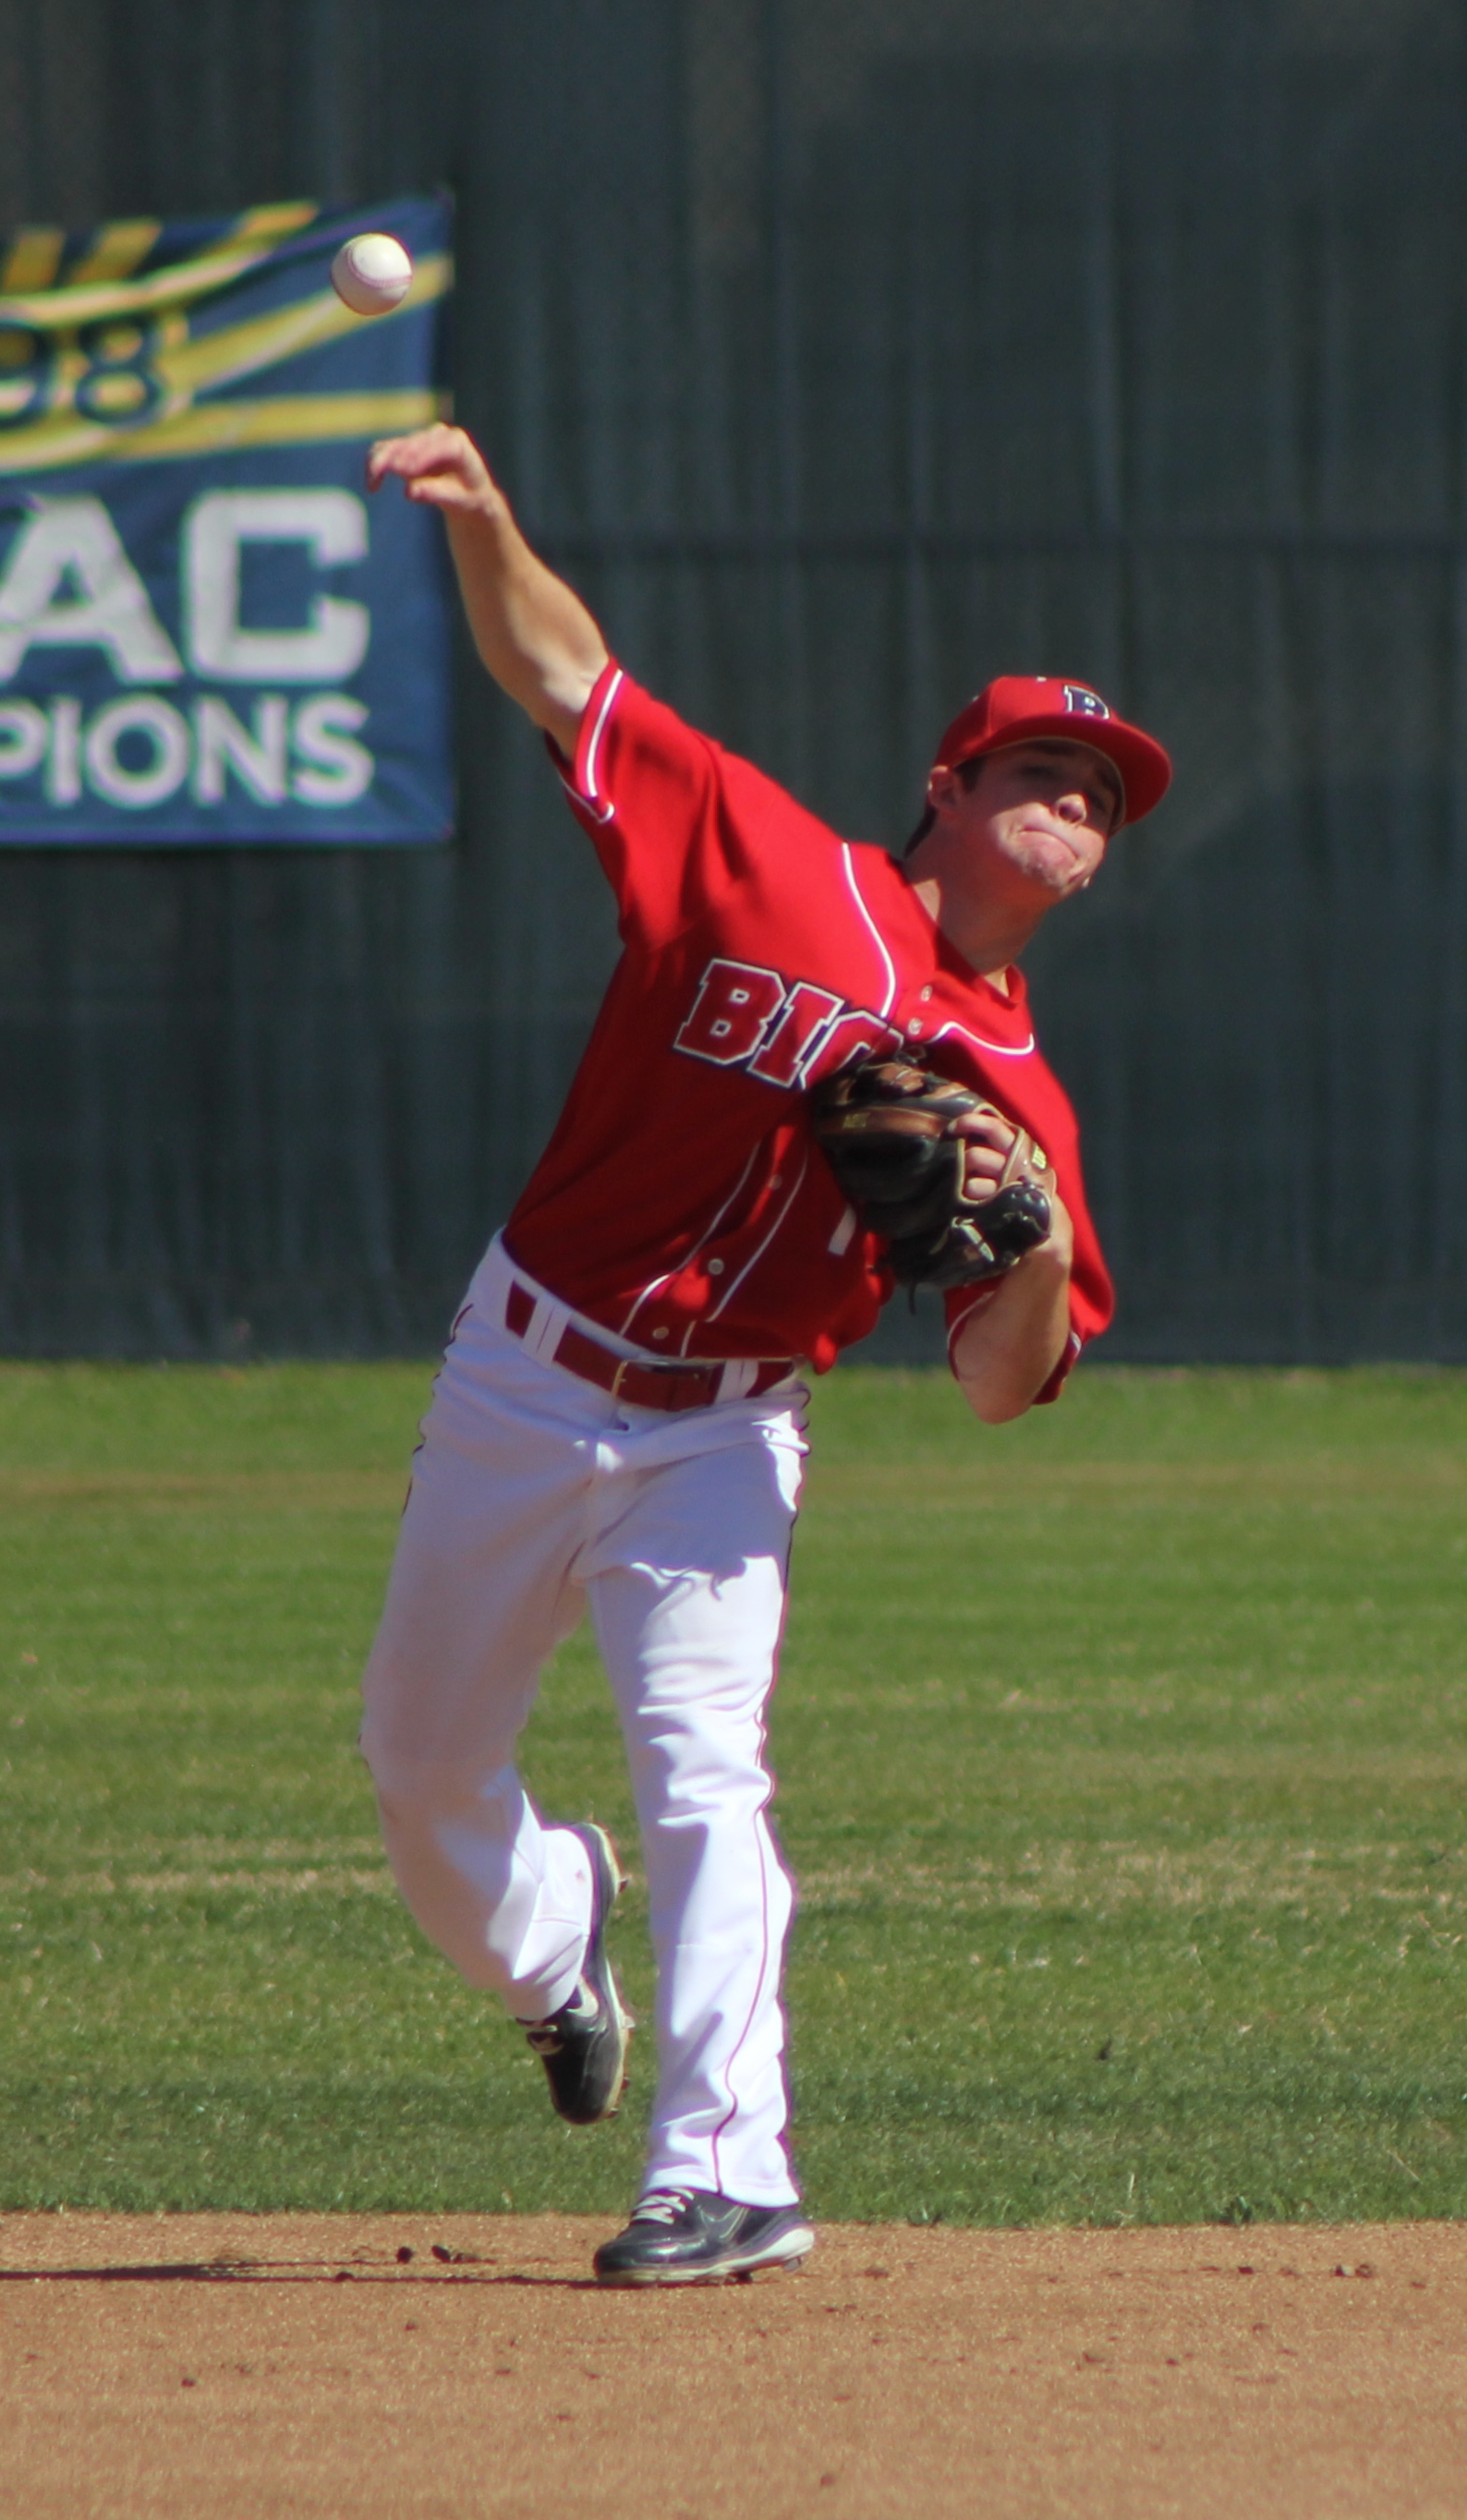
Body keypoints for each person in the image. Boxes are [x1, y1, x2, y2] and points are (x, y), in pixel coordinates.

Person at [349, 420, 1164, 2286]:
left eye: (1103, 792)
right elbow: (568, 674)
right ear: (946, 786)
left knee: (706, 1768)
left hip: (727, 1435)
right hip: (525, 1370)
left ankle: (729, 2165)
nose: (1073, 798)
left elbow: (997, 1375)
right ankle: (558, 1946)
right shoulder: (770, 862)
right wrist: (486, 521)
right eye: (1039, 764)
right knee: (418, 1767)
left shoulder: (1025, 1096)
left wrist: (1024, 1232)